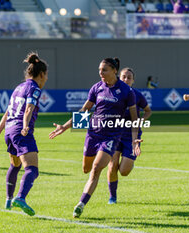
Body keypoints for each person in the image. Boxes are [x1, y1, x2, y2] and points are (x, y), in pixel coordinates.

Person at [49, 58, 142, 218]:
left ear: (114, 71)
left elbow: (134, 119)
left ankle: (81, 204)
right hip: (93, 134)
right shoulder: (97, 88)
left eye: (104, 70)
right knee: (86, 168)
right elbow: (84, 111)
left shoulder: (127, 91)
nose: (101, 73)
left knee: (96, 169)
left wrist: (135, 140)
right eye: (100, 69)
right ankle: (85, 197)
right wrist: (65, 127)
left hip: (111, 137)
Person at [0, 52, 48, 216]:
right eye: (46, 76)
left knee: (15, 165)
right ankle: (20, 197)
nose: (46, 79)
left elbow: (7, 113)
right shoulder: (34, 88)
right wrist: (25, 125)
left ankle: (8, 200)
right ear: (42, 74)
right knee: (32, 170)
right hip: (21, 131)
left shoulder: (18, 88)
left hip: (9, 131)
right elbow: (29, 108)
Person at [107, 67, 152, 204]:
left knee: (124, 171)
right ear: (119, 78)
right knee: (112, 164)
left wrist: (141, 120)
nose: (126, 79)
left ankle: (129, 163)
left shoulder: (137, 95)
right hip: (115, 134)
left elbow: (148, 111)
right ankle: (112, 197)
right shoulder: (113, 93)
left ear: (133, 81)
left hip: (132, 135)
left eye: (129, 77)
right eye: (124, 77)